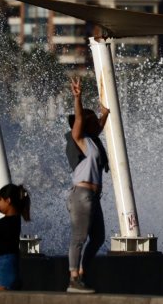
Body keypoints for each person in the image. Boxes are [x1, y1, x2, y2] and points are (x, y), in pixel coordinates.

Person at [65, 75, 110, 294]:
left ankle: (82, 273)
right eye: (89, 120)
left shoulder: (93, 142)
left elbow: (98, 126)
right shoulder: (80, 139)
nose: (94, 123)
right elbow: (81, 121)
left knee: (98, 237)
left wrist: (105, 114)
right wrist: (78, 98)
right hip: (81, 193)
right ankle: (73, 278)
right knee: (79, 237)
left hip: (93, 197)